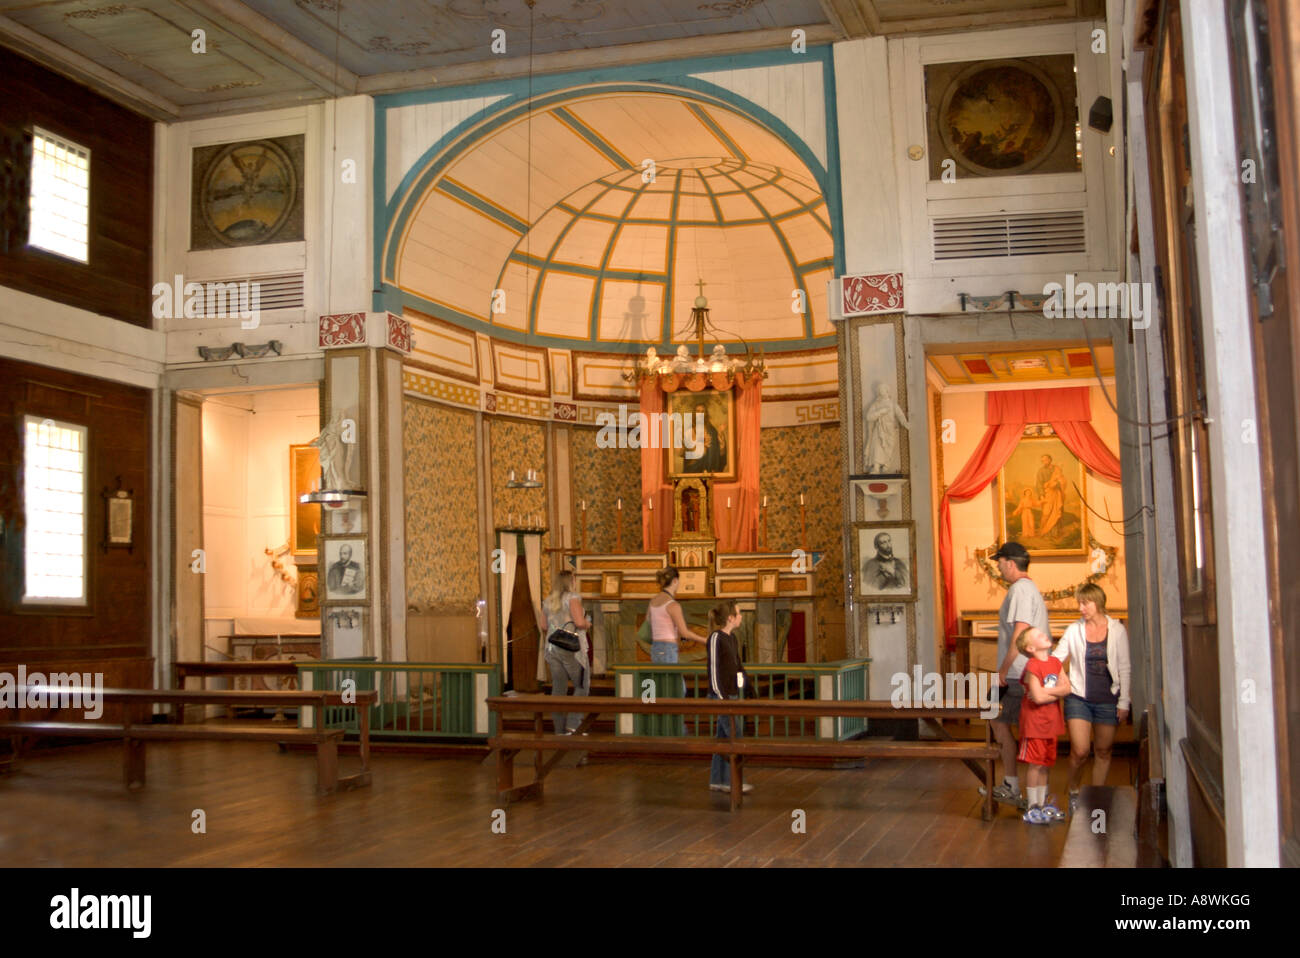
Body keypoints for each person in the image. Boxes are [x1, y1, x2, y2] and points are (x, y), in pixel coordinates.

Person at [1052, 584, 1132, 812]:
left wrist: (1124, 701)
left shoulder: (1117, 630)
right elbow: (1056, 659)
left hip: (1108, 698)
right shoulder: (1074, 630)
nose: (1081, 608)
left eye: (1085, 603)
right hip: (1079, 697)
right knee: (1080, 750)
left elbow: (1125, 667)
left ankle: (1096, 796)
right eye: (1079, 603)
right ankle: (1074, 789)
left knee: (1103, 751)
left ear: (1097, 602)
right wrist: (1053, 675)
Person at [986, 541, 1050, 809]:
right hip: (1021, 672)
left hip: (1020, 673)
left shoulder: (1021, 590)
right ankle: (1013, 784)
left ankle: (1022, 790)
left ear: (1010, 563)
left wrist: (1002, 669)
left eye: (999, 562)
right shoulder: (1026, 589)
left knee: (1008, 723)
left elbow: (1020, 633)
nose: (998, 567)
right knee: (995, 718)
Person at [1017, 627, 1070, 824]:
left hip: (1051, 720)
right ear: (1030, 647)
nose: (1045, 635)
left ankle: (1042, 803)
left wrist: (1049, 691)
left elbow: (1067, 688)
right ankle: (1032, 806)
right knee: (1035, 763)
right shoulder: (1033, 665)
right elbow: (1037, 698)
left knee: (1046, 763)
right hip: (1035, 722)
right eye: (1039, 635)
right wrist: (1055, 691)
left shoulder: (1055, 662)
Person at [648, 566, 707, 731]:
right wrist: (705, 640)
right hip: (668, 649)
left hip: (656, 648)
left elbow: (648, 625)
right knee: (676, 690)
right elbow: (685, 632)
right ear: (675, 581)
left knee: (660, 688)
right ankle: (675, 728)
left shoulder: (653, 601)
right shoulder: (673, 605)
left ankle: (660, 727)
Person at [706, 599, 752, 794]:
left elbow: (738, 666)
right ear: (731, 618)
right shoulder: (716, 638)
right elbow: (714, 671)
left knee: (723, 739)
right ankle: (733, 782)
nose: (741, 616)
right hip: (721, 697)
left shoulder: (732, 638)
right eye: (739, 613)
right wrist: (721, 697)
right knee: (735, 737)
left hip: (731, 695)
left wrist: (749, 689)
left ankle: (717, 779)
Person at [542, 570, 592, 735]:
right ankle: (573, 725)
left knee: (558, 688)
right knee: (581, 685)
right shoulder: (573, 598)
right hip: (571, 647)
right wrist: (587, 623)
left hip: (553, 647)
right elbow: (578, 622)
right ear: (570, 581)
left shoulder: (548, 600)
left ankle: (559, 729)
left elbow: (543, 626)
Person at [864, 382, 910, 474]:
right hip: (879, 429)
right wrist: (881, 412)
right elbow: (869, 417)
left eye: (883, 389)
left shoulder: (892, 404)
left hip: (890, 429)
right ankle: (876, 467)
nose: (881, 392)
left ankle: (886, 465)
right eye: (880, 390)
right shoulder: (876, 405)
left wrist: (905, 423)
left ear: (887, 391)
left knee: (889, 448)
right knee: (877, 446)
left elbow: (900, 414)